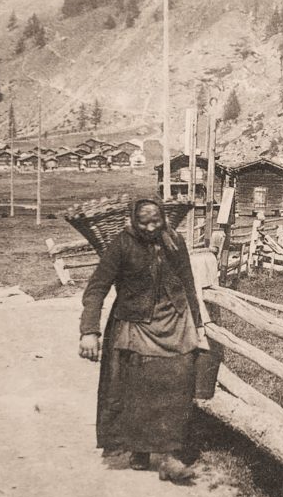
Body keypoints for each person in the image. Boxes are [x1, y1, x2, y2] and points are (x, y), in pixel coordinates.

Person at [78, 199, 204, 482]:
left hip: (174, 318)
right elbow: (97, 287)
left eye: (155, 222)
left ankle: (169, 456)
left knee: (178, 381)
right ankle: (139, 448)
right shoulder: (121, 244)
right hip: (135, 321)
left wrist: (198, 323)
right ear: (133, 221)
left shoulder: (175, 241)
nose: (150, 227)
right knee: (137, 386)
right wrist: (89, 330)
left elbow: (187, 280)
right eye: (144, 222)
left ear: (163, 218)